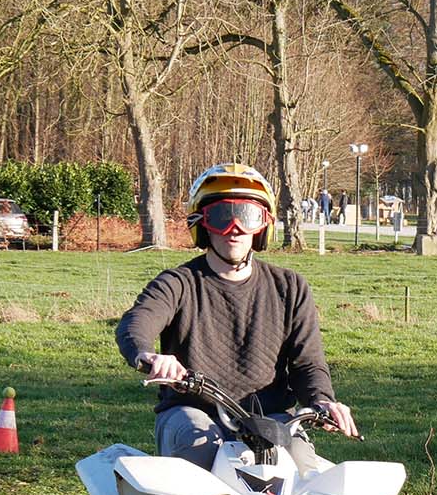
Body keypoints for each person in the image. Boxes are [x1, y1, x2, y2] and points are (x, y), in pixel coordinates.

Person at [116, 164, 357, 472]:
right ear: (202, 223)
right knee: (200, 446)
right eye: (222, 217)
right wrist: (148, 355)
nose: (235, 228)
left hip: (270, 418)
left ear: (263, 225)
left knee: (304, 471)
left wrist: (322, 400)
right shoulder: (178, 283)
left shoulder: (290, 287)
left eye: (248, 216)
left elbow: (307, 363)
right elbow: (138, 321)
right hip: (192, 411)